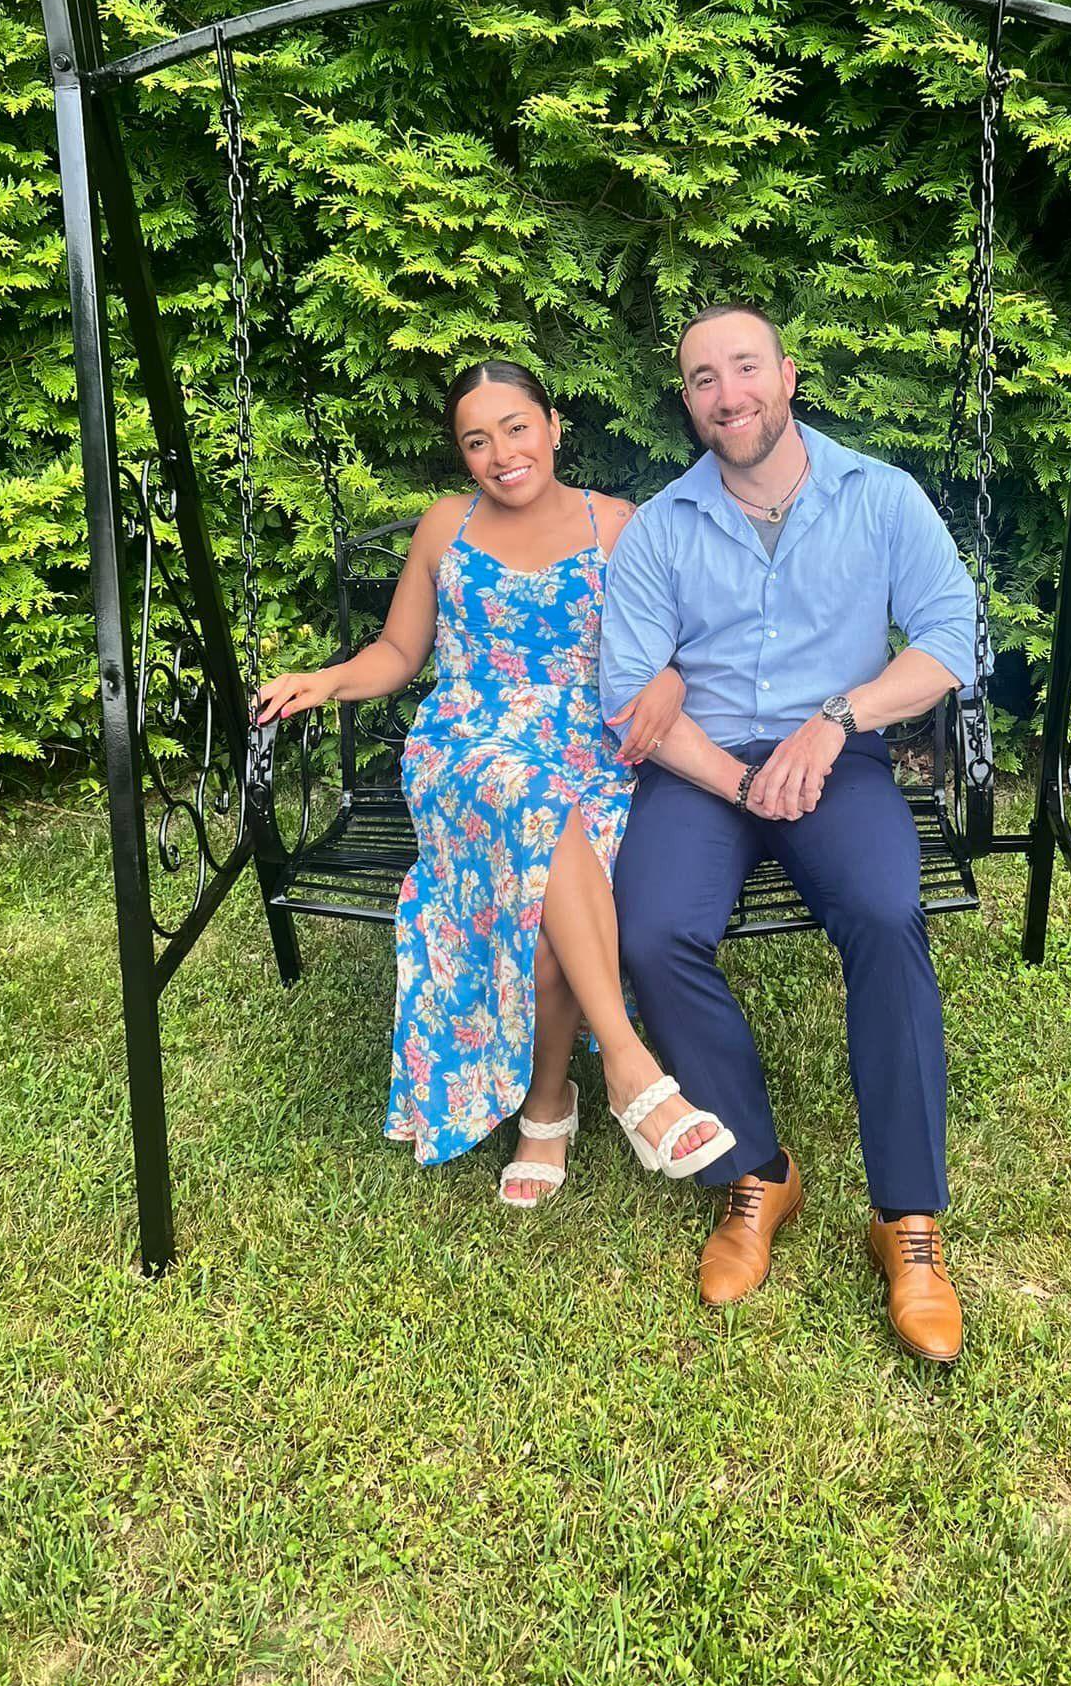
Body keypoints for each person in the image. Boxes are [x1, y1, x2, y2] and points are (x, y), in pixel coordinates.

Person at [256, 359, 737, 1206]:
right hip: (468, 751)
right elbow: (400, 652)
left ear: (553, 426)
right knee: (536, 807)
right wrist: (325, 681)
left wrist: (669, 678)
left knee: (549, 915)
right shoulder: (446, 526)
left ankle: (549, 1107)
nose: (502, 454)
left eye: (517, 428)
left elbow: (677, 640)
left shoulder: (616, 523)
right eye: (477, 441)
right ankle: (630, 1066)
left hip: (589, 751)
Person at [597, 305, 981, 1362]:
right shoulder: (662, 527)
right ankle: (758, 1175)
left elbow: (950, 637)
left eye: (745, 368)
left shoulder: (880, 496)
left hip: (835, 757)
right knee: (652, 930)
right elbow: (628, 687)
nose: (728, 394)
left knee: (885, 912)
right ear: (689, 404)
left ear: (788, 375)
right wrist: (739, 780)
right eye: (703, 379)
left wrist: (838, 718)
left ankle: (906, 1219)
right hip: (702, 767)